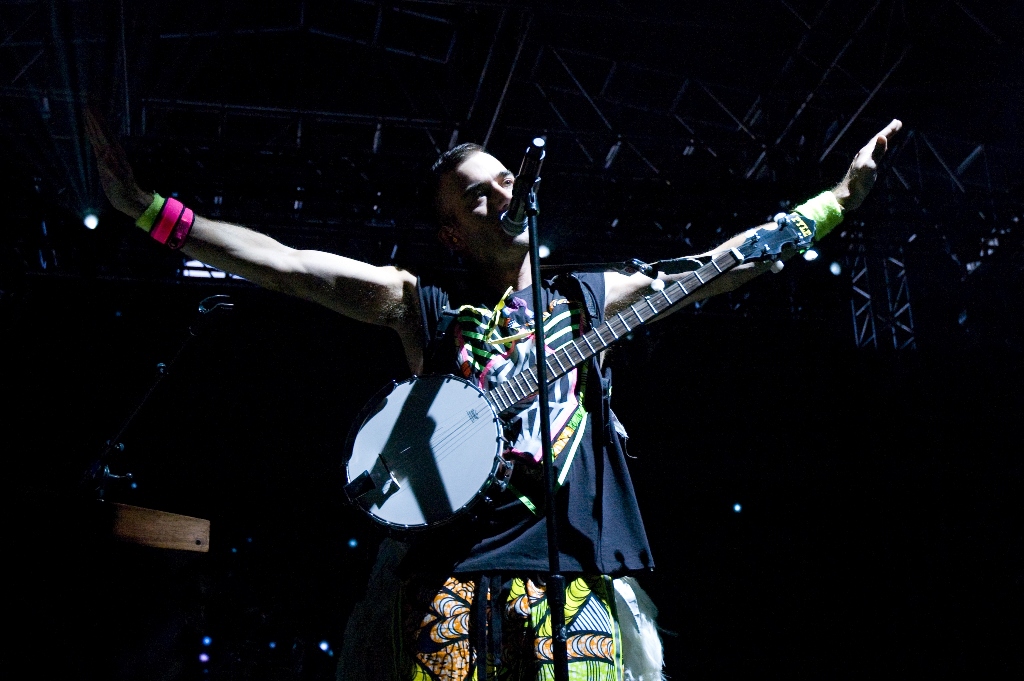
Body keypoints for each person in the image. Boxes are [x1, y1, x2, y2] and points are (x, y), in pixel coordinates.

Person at [87, 112, 902, 681]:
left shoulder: (591, 299)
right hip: (449, 576)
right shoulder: (422, 306)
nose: (502, 192)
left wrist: (835, 202)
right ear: (450, 232)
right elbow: (289, 264)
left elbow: (722, 264)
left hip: (576, 574)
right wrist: (155, 212)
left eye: (507, 178)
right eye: (478, 193)